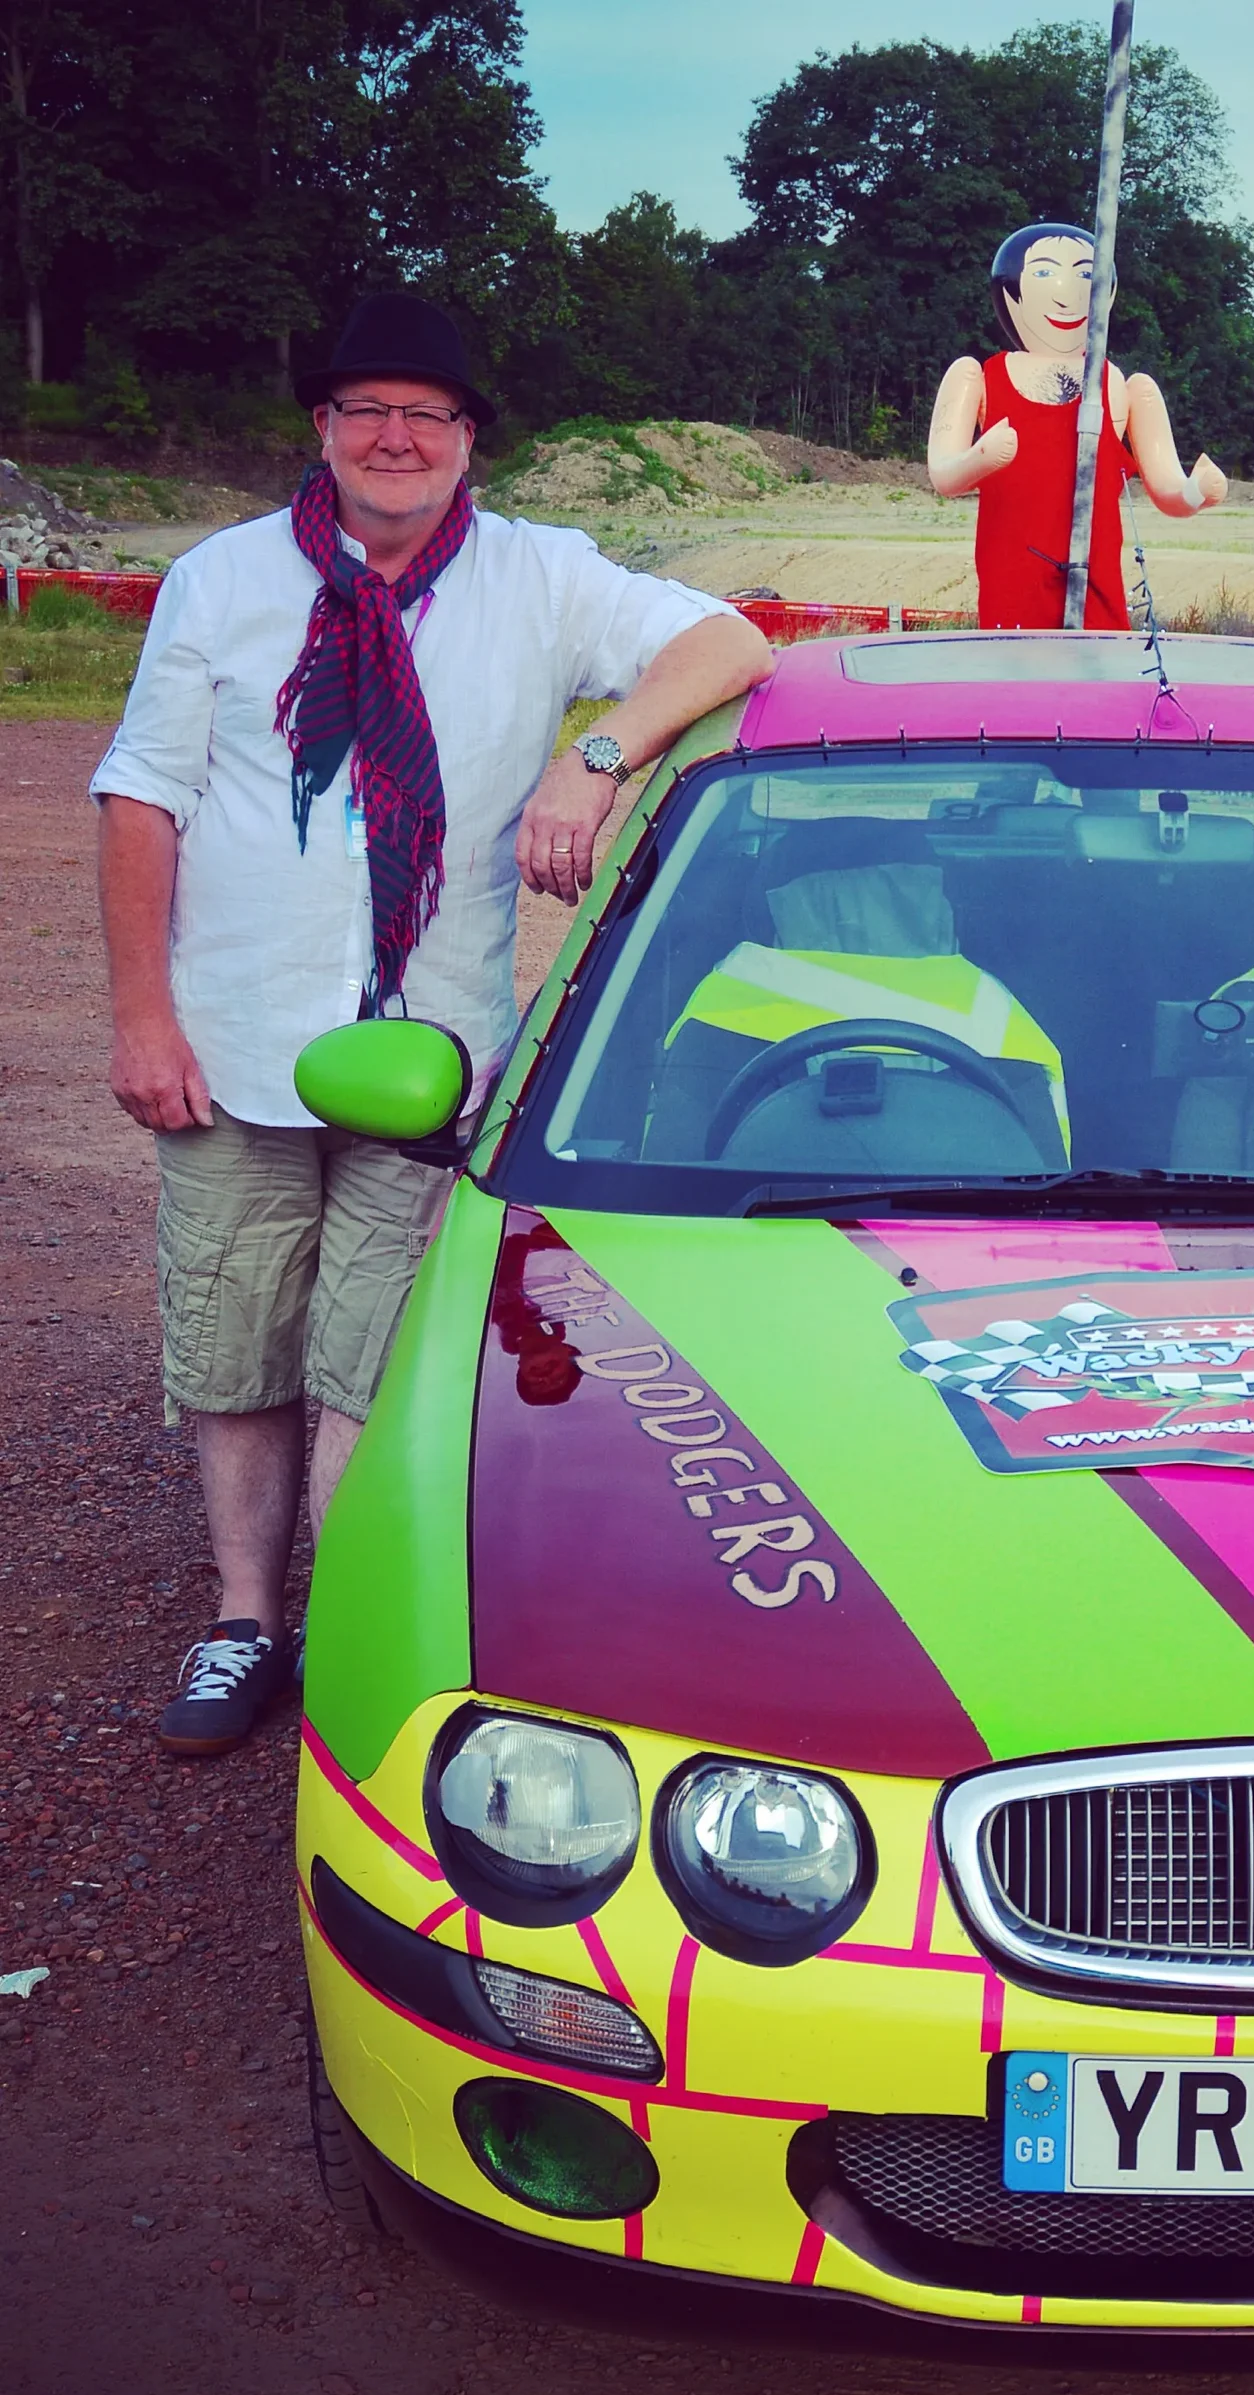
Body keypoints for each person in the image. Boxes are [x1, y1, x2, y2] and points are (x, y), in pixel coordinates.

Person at [92, 292, 774, 1756]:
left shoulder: (541, 580)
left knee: (373, 1360)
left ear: (470, 442)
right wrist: (144, 1016)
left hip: (433, 1053)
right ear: (320, 431)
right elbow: (141, 793)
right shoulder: (220, 584)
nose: (396, 438)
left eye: (430, 415)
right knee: (237, 1350)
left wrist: (593, 759)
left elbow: (727, 642)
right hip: (231, 1042)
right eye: (366, 410)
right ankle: (242, 1621)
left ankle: (343, 1625)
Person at [925, 221, 1227, 628]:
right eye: (1045, 272)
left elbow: (1167, 487)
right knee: (1018, 679)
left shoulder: (1124, 387)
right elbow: (944, 475)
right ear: (1011, 290)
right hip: (1013, 583)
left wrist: (1195, 492)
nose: (1066, 294)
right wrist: (980, 458)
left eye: (1086, 274)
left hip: (1097, 586)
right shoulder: (977, 378)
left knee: (1097, 682)